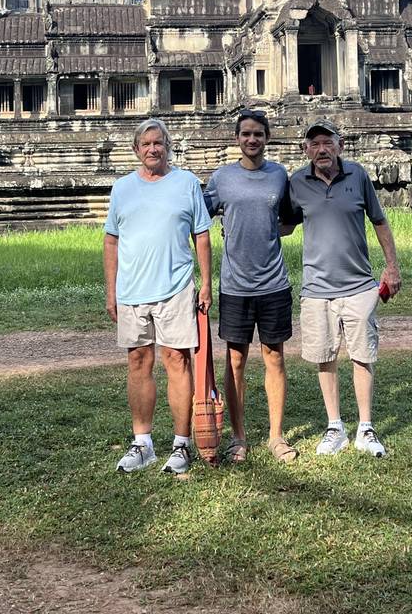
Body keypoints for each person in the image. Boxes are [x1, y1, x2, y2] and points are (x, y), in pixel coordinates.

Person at [104, 118, 212, 475]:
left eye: (159, 143)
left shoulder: (186, 183)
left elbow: (201, 235)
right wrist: (111, 291)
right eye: (146, 144)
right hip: (132, 289)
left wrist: (207, 282)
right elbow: (111, 240)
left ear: (169, 147)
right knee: (138, 362)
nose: (153, 149)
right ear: (137, 150)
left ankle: (181, 444)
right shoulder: (122, 188)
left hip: (176, 286)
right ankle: (143, 442)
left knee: (176, 360)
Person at [287, 119, 401, 458]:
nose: (321, 149)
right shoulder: (297, 182)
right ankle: (334, 426)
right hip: (317, 286)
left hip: (359, 284)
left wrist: (392, 266)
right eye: (315, 144)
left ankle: (365, 427)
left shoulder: (358, 176)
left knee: (362, 355)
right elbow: (284, 224)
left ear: (340, 146)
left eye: (328, 142)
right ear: (306, 149)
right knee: (325, 356)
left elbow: (379, 220)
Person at [203, 109, 298, 463]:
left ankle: (276, 435)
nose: (252, 140)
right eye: (246, 134)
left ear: (267, 138)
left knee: (274, 356)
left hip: (273, 282)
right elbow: (200, 216)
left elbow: (289, 221)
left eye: (258, 134)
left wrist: (265, 233)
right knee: (236, 359)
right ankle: (238, 437)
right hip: (234, 284)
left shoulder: (279, 176)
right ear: (237, 139)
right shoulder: (222, 179)